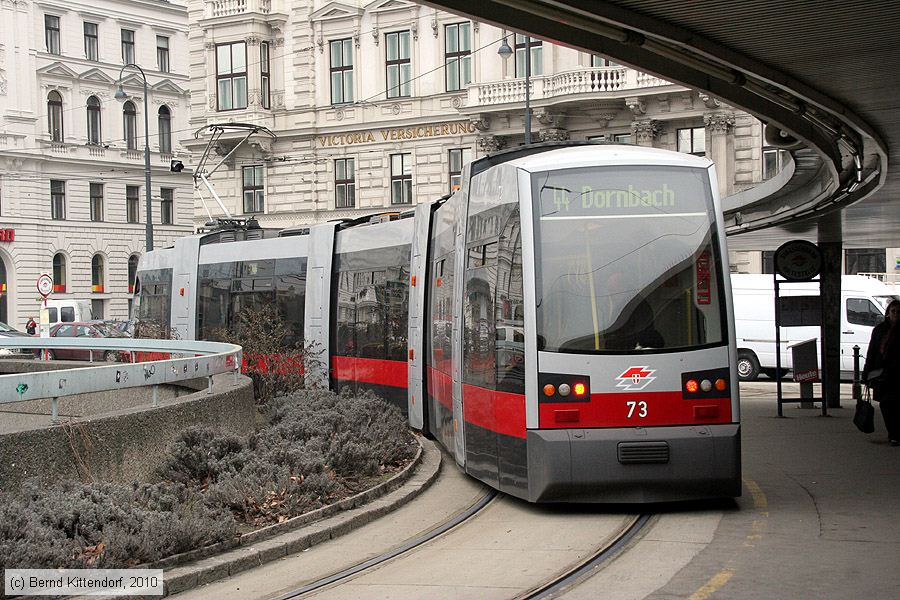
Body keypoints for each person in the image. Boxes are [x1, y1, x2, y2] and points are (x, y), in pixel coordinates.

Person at [863, 299, 900, 445]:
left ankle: (896, 435)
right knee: (885, 405)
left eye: (899, 312)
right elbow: (872, 352)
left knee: (897, 404)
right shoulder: (879, 330)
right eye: (893, 311)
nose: (896, 314)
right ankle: (893, 433)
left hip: (897, 374)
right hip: (882, 374)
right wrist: (867, 372)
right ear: (888, 313)